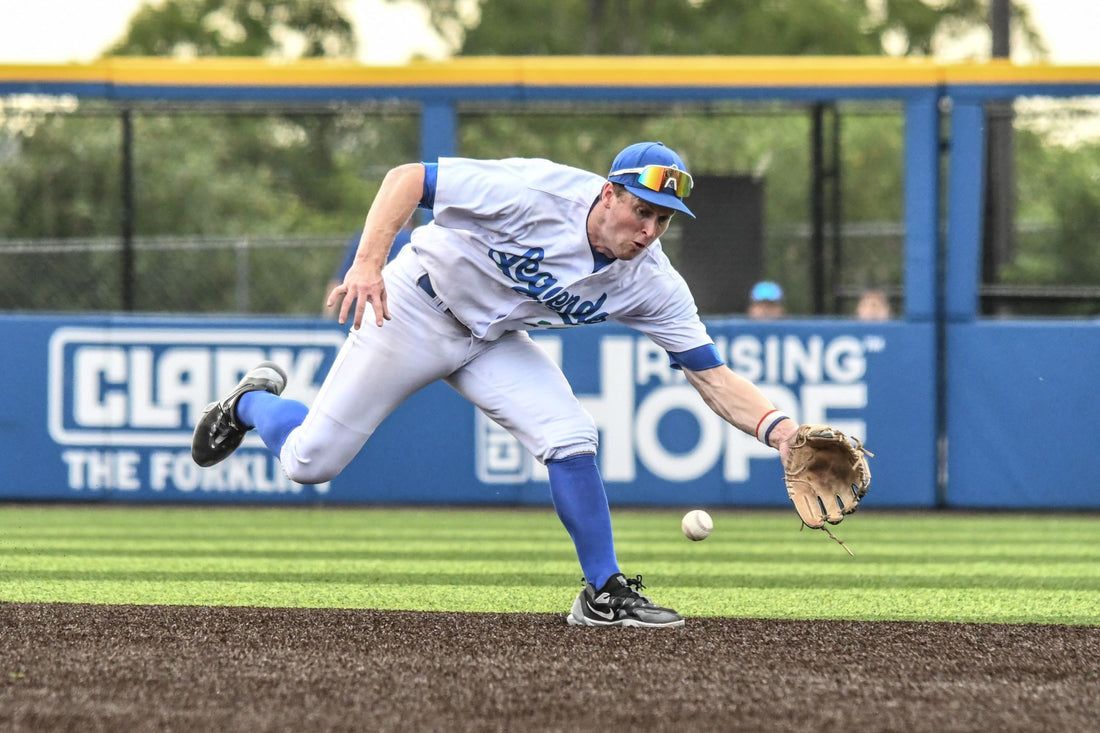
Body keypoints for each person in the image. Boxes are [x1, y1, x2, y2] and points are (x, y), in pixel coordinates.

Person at [192, 141, 799, 628]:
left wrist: (784, 434)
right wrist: (368, 262)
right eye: (641, 210)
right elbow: (408, 178)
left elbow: (711, 377)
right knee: (309, 461)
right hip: (415, 305)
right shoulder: (535, 192)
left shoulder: (652, 282)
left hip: (494, 339)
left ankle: (603, 591)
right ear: (608, 193)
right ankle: (251, 403)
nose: (648, 230)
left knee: (571, 435)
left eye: (662, 219)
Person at [323, 222, 413, 317]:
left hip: (365, 311)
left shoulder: (365, 237)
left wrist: (327, 318)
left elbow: (338, 281)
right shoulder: (412, 239)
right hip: (402, 309)